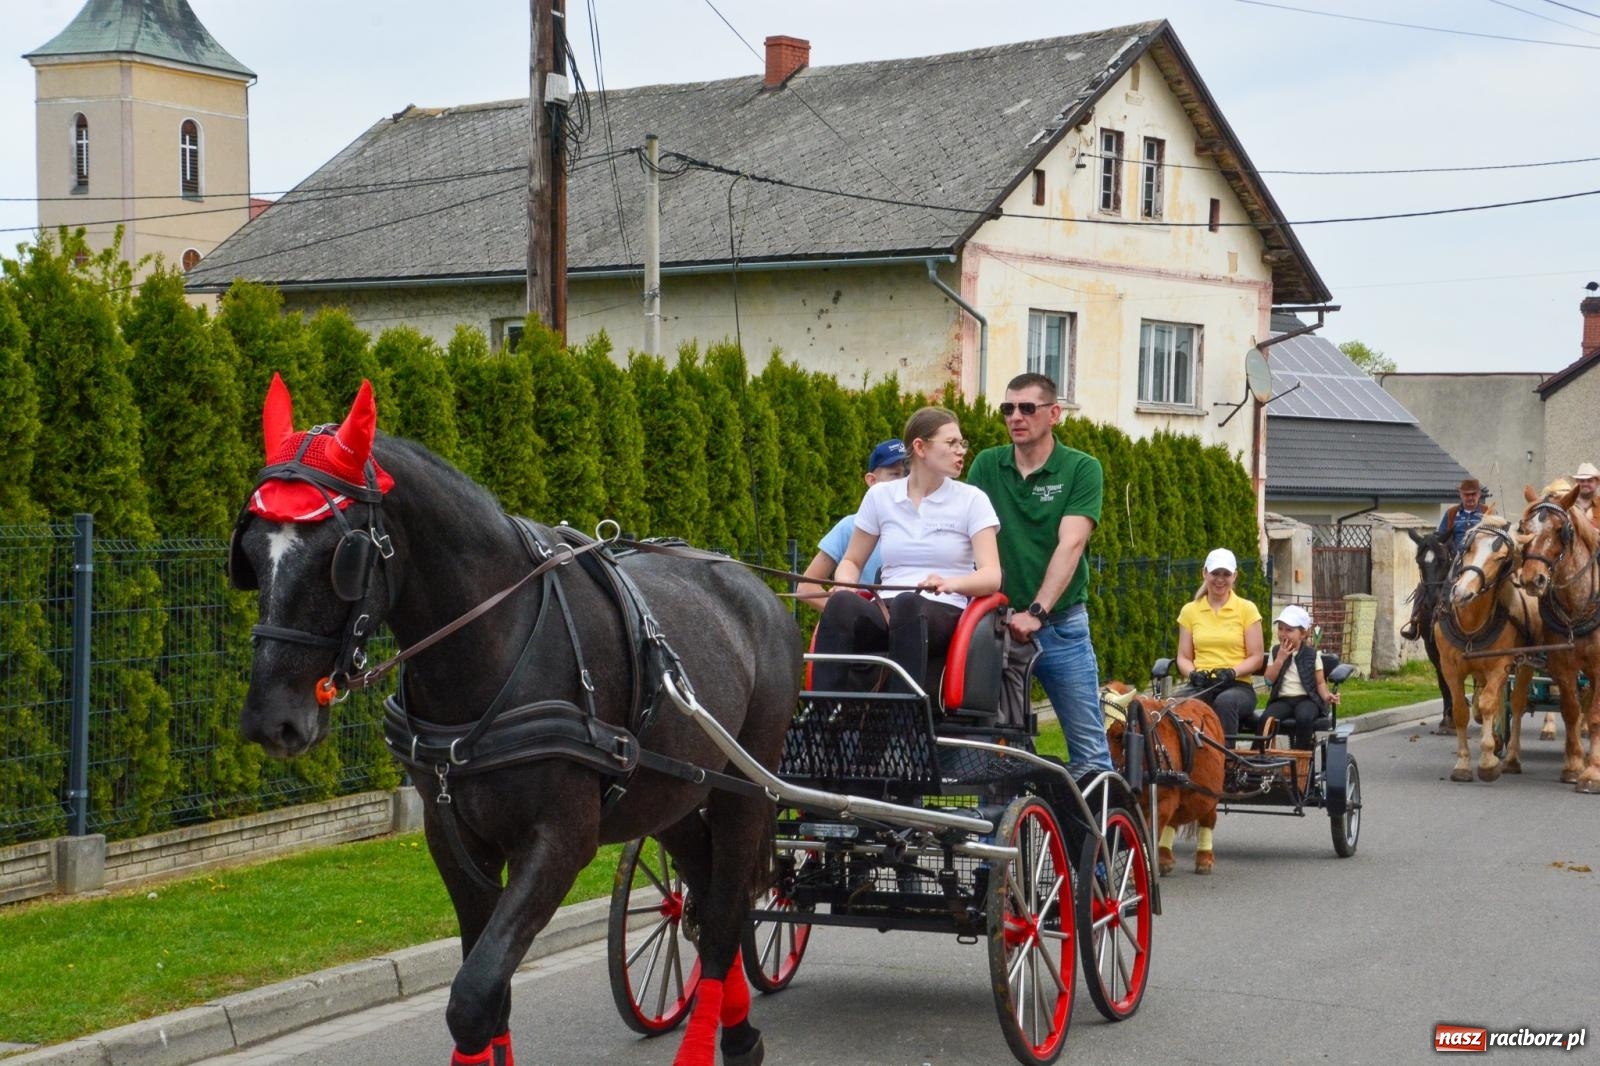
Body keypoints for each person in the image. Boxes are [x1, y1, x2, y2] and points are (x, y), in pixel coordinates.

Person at [967, 372, 1114, 775]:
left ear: (1054, 414)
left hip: (1059, 625)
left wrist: (1037, 611)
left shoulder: (1081, 468)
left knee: (1088, 749)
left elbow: (1071, 544)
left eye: (1027, 408)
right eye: (1008, 409)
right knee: (986, 746)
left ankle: (1094, 834)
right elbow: (971, 539)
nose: (1016, 417)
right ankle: (1002, 828)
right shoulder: (987, 465)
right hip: (995, 626)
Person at [812, 407, 1001, 694]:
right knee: (841, 605)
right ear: (920, 447)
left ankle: (903, 715)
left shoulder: (972, 500)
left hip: (945, 612)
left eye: (962, 443)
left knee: (908, 604)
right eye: (951, 443)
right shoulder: (880, 496)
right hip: (888, 609)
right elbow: (851, 560)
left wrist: (950, 584)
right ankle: (824, 712)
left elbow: (991, 576)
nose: (960, 451)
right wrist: (845, 585)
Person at [795, 439, 908, 610]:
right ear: (872, 480)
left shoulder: (923, 525)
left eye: (908, 475)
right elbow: (805, 588)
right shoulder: (849, 526)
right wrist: (845, 615)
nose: (903, 481)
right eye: (895, 474)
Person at [1175, 548, 1265, 737]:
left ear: (1235, 576)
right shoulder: (1190, 611)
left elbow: (1256, 657)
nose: (1220, 579)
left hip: (1238, 685)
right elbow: (1183, 657)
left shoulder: (1246, 609)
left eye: (1226, 574)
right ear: (1205, 573)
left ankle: (1225, 759)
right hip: (1203, 684)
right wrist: (1193, 673)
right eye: (1215, 573)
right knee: (1175, 704)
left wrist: (1233, 671)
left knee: (1225, 702)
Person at [1260, 604, 1338, 749]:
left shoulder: (1312, 654)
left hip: (1307, 699)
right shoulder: (1276, 651)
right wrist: (1280, 660)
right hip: (1282, 699)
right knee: (1266, 718)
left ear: (1302, 634)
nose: (1283, 634)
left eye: (1289, 630)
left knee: (1305, 717)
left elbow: (1320, 683)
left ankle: (1301, 755)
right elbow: (1268, 680)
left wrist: (1327, 696)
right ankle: (1258, 754)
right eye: (1280, 629)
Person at [1437, 478, 1486, 554]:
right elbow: (1441, 537)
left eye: (1473, 494)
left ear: (1479, 494)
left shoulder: (1488, 512)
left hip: (1481, 560)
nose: (1470, 498)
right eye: (1466, 494)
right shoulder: (1451, 513)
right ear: (1460, 495)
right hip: (1455, 559)